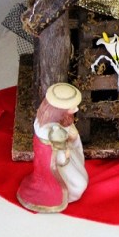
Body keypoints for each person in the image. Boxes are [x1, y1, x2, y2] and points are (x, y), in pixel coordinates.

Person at [17, 83, 88, 213]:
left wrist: (72, 136)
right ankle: (66, 194)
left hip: (66, 154)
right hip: (61, 163)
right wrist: (65, 154)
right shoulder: (49, 131)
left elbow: (68, 132)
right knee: (79, 184)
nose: (76, 109)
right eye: (72, 107)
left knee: (81, 179)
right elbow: (55, 155)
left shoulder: (60, 120)